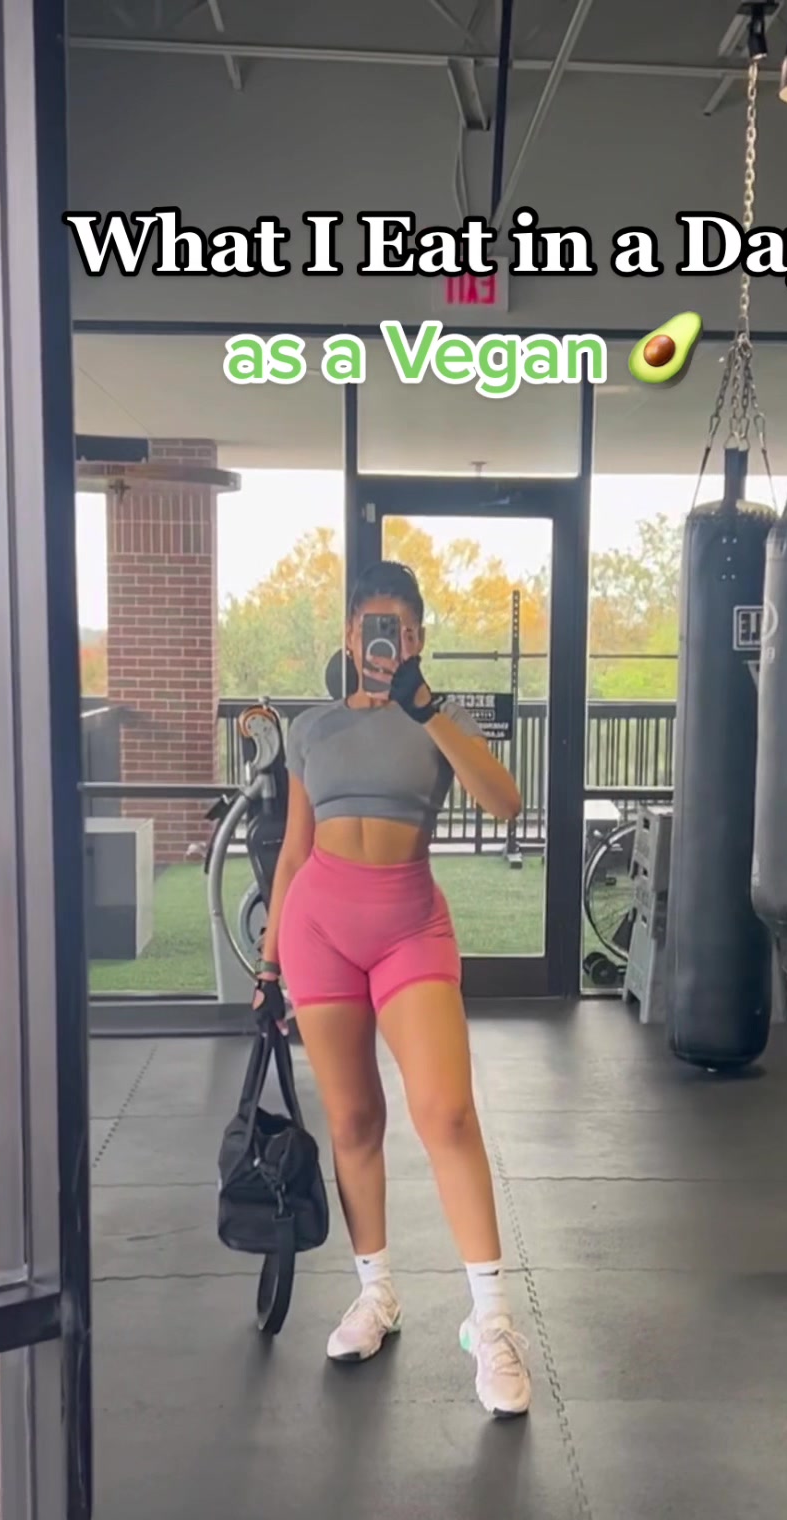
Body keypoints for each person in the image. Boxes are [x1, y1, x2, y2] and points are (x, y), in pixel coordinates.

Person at [253, 561, 531, 1418]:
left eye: (400, 629)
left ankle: (490, 1321)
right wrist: (269, 963)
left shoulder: (438, 720)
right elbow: (293, 854)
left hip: (409, 923)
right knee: (352, 1120)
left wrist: (427, 705)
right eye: (372, 626)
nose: (384, 641)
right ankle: (376, 1293)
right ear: (349, 635)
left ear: (417, 639)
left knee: (446, 1111)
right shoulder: (313, 729)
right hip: (319, 930)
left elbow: (506, 803)